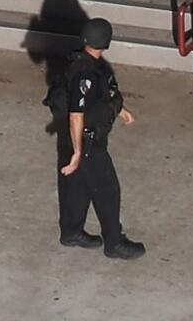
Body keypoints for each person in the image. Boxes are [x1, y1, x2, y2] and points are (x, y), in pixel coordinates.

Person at [58, 18, 145, 259]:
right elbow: (77, 115)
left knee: (78, 186)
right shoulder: (86, 72)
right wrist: (77, 153)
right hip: (87, 142)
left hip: (82, 139)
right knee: (107, 189)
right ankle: (114, 242)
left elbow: (104, 96)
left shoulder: (85, 65)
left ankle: (71, 230)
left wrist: (120, 109)